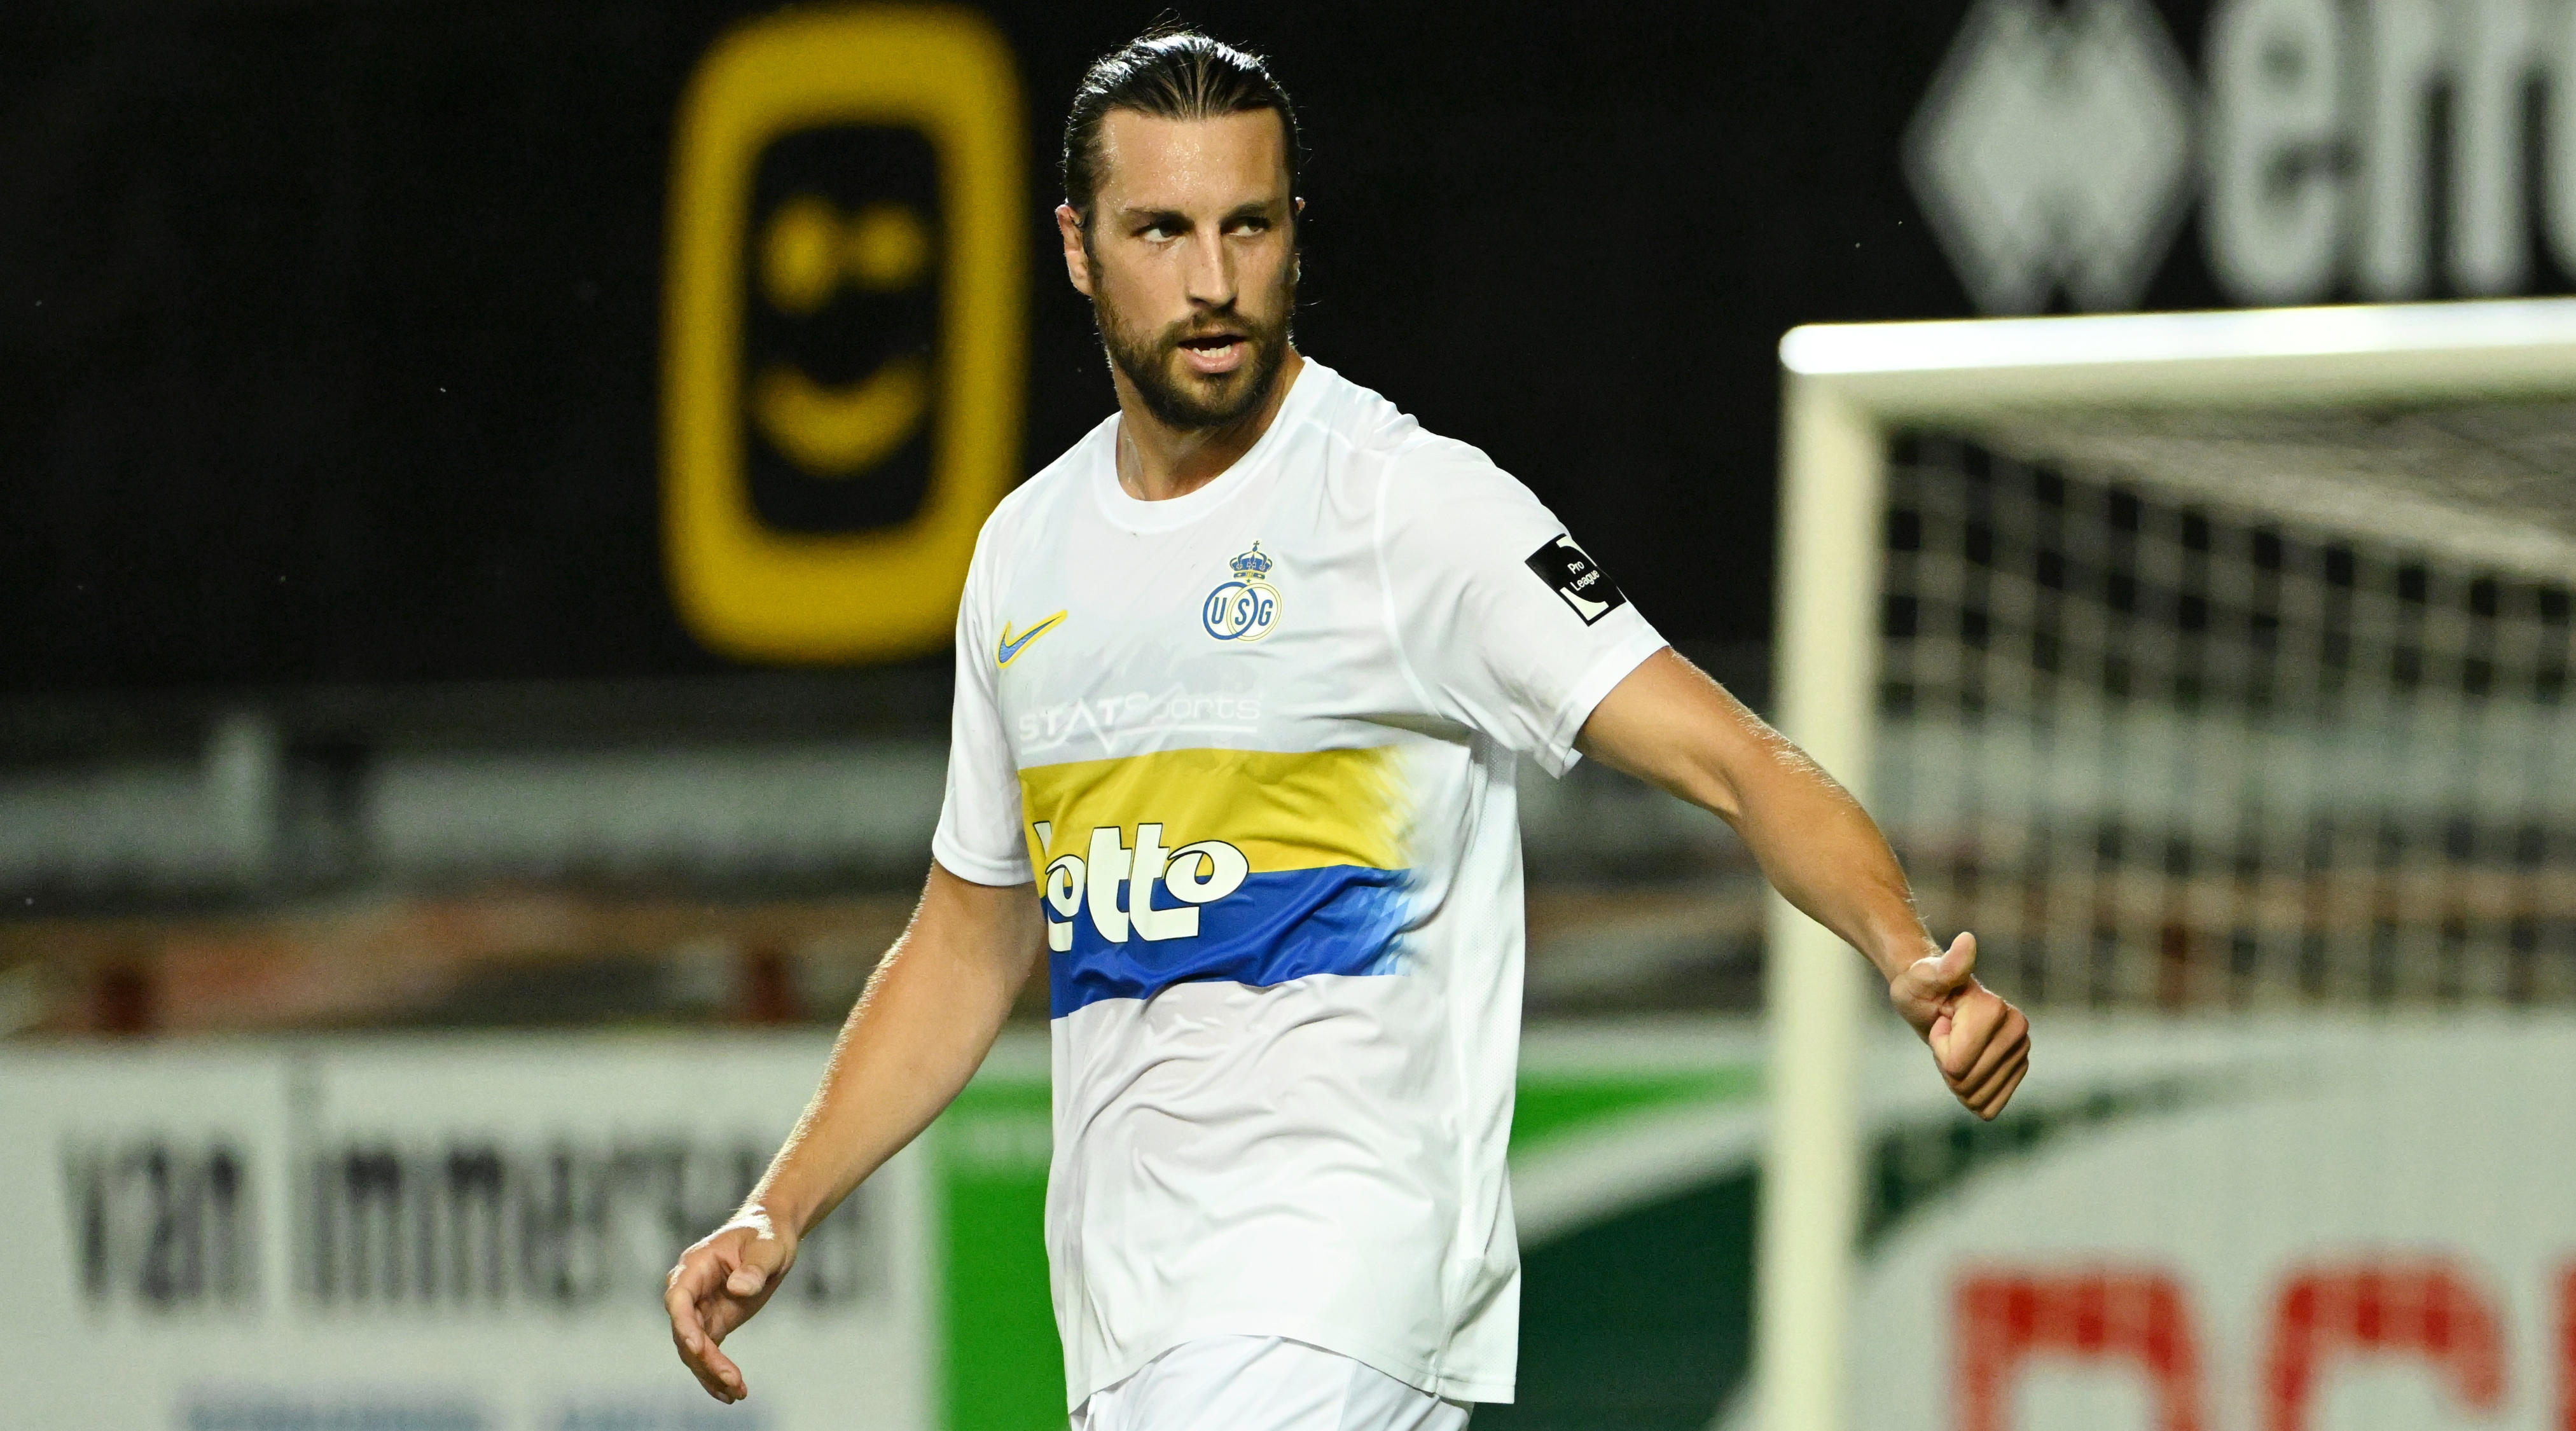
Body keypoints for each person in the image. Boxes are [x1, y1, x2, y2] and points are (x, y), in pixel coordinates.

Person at [666, 29, 2030, 1430]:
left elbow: (1739, 761)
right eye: (1162, 231)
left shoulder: (1407, 509)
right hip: (1136, 1331)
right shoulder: (1027, 554)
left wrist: (1906, 952)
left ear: (1294, 234)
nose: (1212, 282)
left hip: (1330, 1295)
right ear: (1076, 247)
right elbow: (968, 939)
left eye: (1247, 227)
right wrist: (779, 1212)